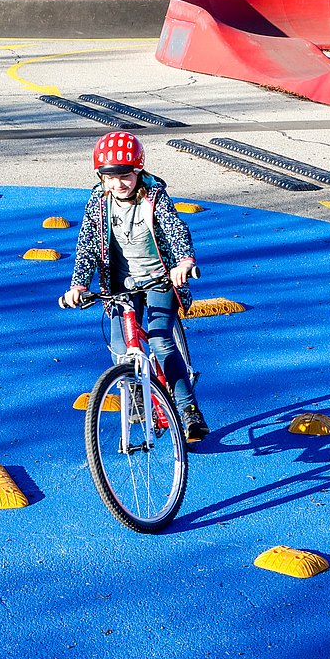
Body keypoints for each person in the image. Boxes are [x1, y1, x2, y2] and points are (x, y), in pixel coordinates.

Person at [61, 131, 210, 442]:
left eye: (125, 176)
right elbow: (87, 246)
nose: (118, 184)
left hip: (159, 279)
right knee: (119, 347)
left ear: (138, 171)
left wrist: (183, 263)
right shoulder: (98, 202)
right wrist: (78, 285)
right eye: (110, 177)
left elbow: (175, 229)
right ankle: (137, 396)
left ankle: (188, 409)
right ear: (100, 178)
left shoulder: (154, 198)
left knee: (160, 342)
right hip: (120, 285)